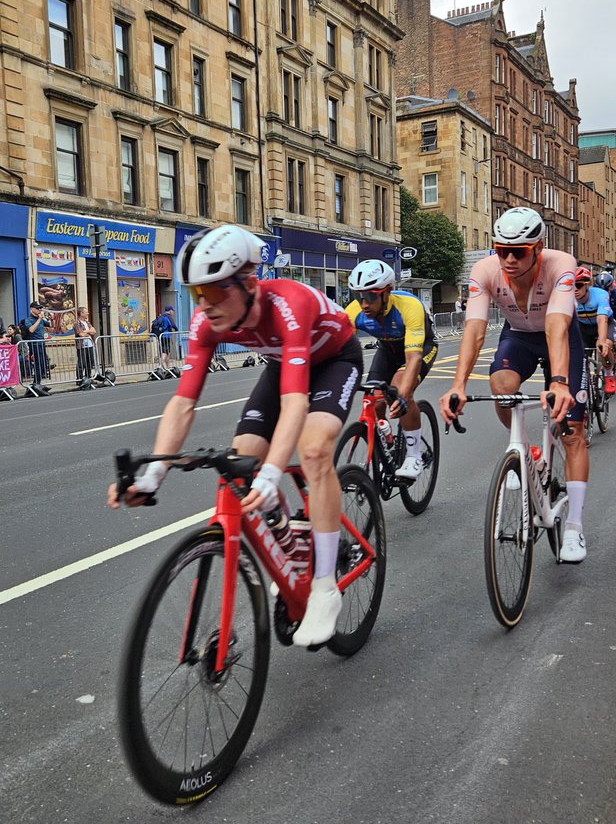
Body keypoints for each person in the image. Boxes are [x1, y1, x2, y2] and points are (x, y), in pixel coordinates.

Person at [108, 223, 363, 647]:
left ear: (248, 283)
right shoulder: (209, 324)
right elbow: (183, 402)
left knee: (314, 450)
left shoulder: (289, 304)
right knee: (242, 459)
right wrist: (153, 475)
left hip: (335, 359)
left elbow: (297, 405)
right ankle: (291, 543)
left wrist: (272, 475)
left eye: (212, 292)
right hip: (284, 364)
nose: (204, 306)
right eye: (195, 294)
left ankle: (323, 585)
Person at [440, 206, 590, 563]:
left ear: (538, 247)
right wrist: (457, 384)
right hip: (519, 336)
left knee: (573, 431)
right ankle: (526, 453)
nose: (507, 258)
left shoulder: (561, 263)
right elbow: (475, 330)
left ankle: (574, 527)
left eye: (518, 251)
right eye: (500, 249)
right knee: (502, 386)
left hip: (560, 336)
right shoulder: (485, 270)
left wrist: (559, 382)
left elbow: (556, 323)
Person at [344, 260, 438, 480]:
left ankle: (414, 455)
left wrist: (403, 396)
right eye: (359, 296)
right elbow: (339, 350)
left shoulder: (408, 306)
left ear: (387, 293)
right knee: (375, 400)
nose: (364, 304)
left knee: (399, 387)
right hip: (387, 349)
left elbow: (413, 357)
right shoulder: (354, 312)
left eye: (370, 296)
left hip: (421, 348)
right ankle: (388, 443)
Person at [574, 267, 616, 394]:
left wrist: (602, 341)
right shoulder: (567, 298)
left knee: (604, 346)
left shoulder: (600, 295)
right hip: (583, 327)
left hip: (604, 323)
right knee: (578, 355)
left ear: (587, 286)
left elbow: (602, 319)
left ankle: (609, 374)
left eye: (578, 285)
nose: (575, 289)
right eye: (571, 286)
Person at [596, 270, 616, 371]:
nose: (604, 292)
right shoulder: (595, 294)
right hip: (602, 315)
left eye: (606, 289)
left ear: (611, 287)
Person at [22, 301, 50, 388]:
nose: (39, 310)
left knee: (43, 364)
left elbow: (49, 325)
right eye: (37, 308)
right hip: (34, 344)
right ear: (32, 309)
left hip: (42, 343)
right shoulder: (28, 319)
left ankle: (37, 382)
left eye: (40, 308)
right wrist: (39, 319)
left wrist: (52, 318)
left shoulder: (41, 319)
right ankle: (37, 383)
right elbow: (31, 330)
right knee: (38, 364)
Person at [151, 304, 179, 372]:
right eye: (173, 310)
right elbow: (173, 325)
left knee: (167, 352)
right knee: (165, 352)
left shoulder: (161, 316)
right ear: (170, 310)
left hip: (160, 336)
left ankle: (167, 367)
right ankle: (160, 366)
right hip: (166, 336)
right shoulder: (168, 316)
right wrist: (176, 330)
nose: (173, 312)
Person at [75, 306, 96, 382]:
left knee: (90, 362)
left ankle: (88, 377)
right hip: (81, 346)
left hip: (90, 344)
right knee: (82, 363)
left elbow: (94, 331)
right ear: (81, 313)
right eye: (86, 312)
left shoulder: (87, 322)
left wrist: (85, 331)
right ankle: (79, 379)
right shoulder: (77, 323)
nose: (88, 313)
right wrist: (88, 331)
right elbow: (81, 334)